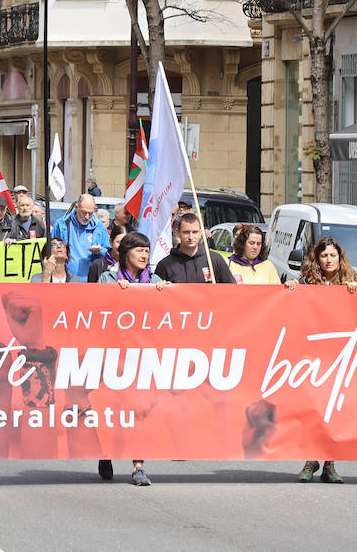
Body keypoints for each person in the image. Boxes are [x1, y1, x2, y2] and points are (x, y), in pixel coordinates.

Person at [96, 231, 166, 486]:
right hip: (113, 355)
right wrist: (114, 292)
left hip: (143, 356)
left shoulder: (154, 279)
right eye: (139, 250)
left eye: (147, 250)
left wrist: (164, 292)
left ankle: (138, 467)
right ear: (126, 253)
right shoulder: (108, 277)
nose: (144, 255)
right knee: (113, 411)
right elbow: (96, 309)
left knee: (139, 412)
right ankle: (107, 453)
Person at [290, 236, 357, 484]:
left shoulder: (350, 283)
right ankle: (310, 460)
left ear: (340, 258)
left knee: (334, 411)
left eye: (333, 255)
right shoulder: (309, 283)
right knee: (313, 409)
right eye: (324, 256)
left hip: (340, 356)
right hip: (314, 356)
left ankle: (329, 463)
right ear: (317, 259)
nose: (329, 260)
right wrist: (291, 289)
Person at [154, 212, 233, 284]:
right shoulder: (165, 265)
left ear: (200, 232)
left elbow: (232, 289)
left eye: (195, 232)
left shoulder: (214, 259)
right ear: (177, 233)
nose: (191, 237)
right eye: (186, 232)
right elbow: (155, 295)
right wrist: (160, 287)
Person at [51, 193, 110, 281]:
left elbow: (109, 254)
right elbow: (51, 251)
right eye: (84, 212)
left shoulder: (100, 228)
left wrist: (100, 251)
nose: (87, 217)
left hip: (92, 280)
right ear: (76, 207)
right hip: (66, 280)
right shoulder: (61, 224)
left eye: (90, 213)